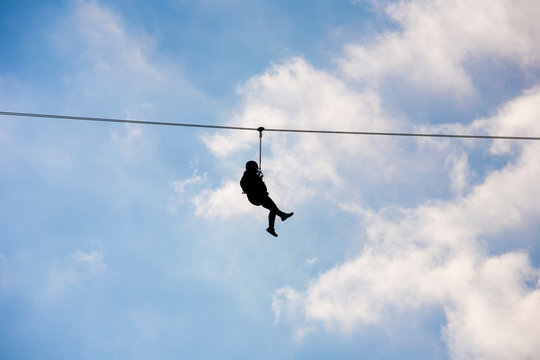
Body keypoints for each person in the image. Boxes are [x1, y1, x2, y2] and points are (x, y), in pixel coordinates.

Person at [240, 160, 293, 237]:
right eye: (255, 168)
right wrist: (258, 179)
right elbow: (251, 187)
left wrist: (259, 178)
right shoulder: (248, 176)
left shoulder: (250, 176)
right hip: (257, 197)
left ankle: (276, 222)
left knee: (273, 208)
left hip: (259, 196)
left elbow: (256, 185)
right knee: (273, 208)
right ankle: (281, 216)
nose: (256, 169)